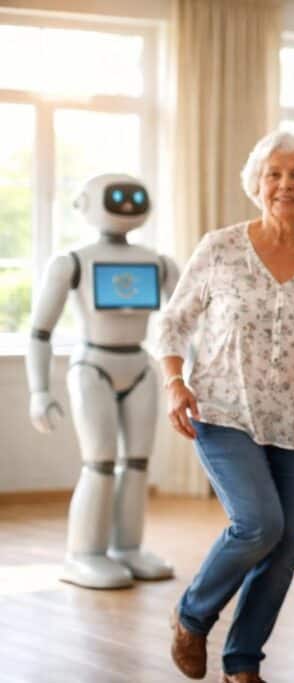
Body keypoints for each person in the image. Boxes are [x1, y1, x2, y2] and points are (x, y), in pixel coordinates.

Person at [157, 130, 294, 683]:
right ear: (257, 184)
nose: (285, 184)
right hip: (223, 411)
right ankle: (193, 614)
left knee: (283, 553)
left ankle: (243, 662)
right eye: (274, 174)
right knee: (258, 524)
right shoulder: (220, 247)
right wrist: (175, 381)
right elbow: (174, 322)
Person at [25, 174, 177, 589]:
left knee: (138, 463)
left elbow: (186, 322)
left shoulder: (159, 261)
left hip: (141, 365)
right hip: (93, 365)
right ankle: (84, 553)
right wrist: (39, 390)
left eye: (134, 197)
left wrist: (194, 369)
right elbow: (39, 331)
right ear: (86, 203)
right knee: (100, 462)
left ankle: (128, 547)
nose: (127, 204)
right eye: (117, 197)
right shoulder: (71, 262)